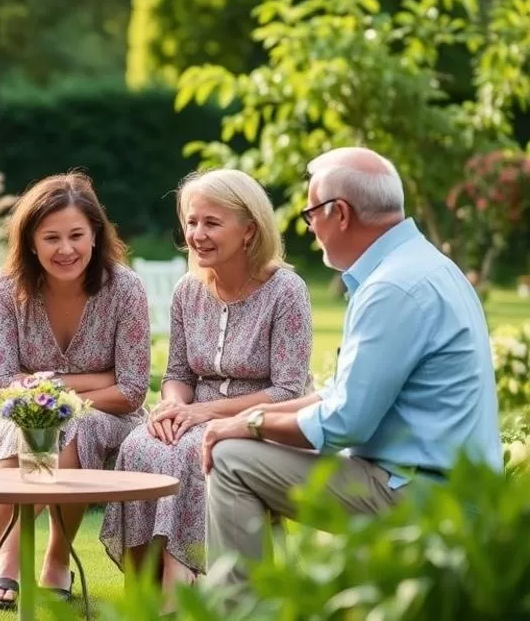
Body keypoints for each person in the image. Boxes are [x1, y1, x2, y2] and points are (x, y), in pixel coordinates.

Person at [200, 147, 504, 586]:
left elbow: (345, 422)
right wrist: (249, 418)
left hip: (421, 495)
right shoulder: (425, 267)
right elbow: (344, 393)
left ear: (338, 213)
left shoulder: (392, 288)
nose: (310, 230)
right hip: (442, 485)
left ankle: (244, 612)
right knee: (245, 452)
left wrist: (248, 426)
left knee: (232, 460)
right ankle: (271, 604)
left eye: (309, 215)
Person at [98, 169, 313, 609]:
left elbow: (289, 389)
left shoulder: (286, 290)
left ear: (249, 229)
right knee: (140, 444)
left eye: (212, 223)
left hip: (260, 421)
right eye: (192, 222)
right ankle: (142, 590)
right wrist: (173, 406)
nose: (197, 234)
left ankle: (181, 588)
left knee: (191, 448)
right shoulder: (187, 290)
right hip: (196, 415)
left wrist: (203, 414)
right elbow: (178, 374)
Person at [0, 172, 152, 609]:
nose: (66, 249)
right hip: (19, 409)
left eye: (76, 234)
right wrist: (92, 380)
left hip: (109, 415)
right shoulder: (5, 287)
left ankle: (48, 559)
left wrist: (48, 387)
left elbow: (130, 390)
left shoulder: (125, 288)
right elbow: (1, 382)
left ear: (95, 234)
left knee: (77, 425)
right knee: (23, 429)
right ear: (31, 241)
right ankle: (0, 562)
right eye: (51, 237)